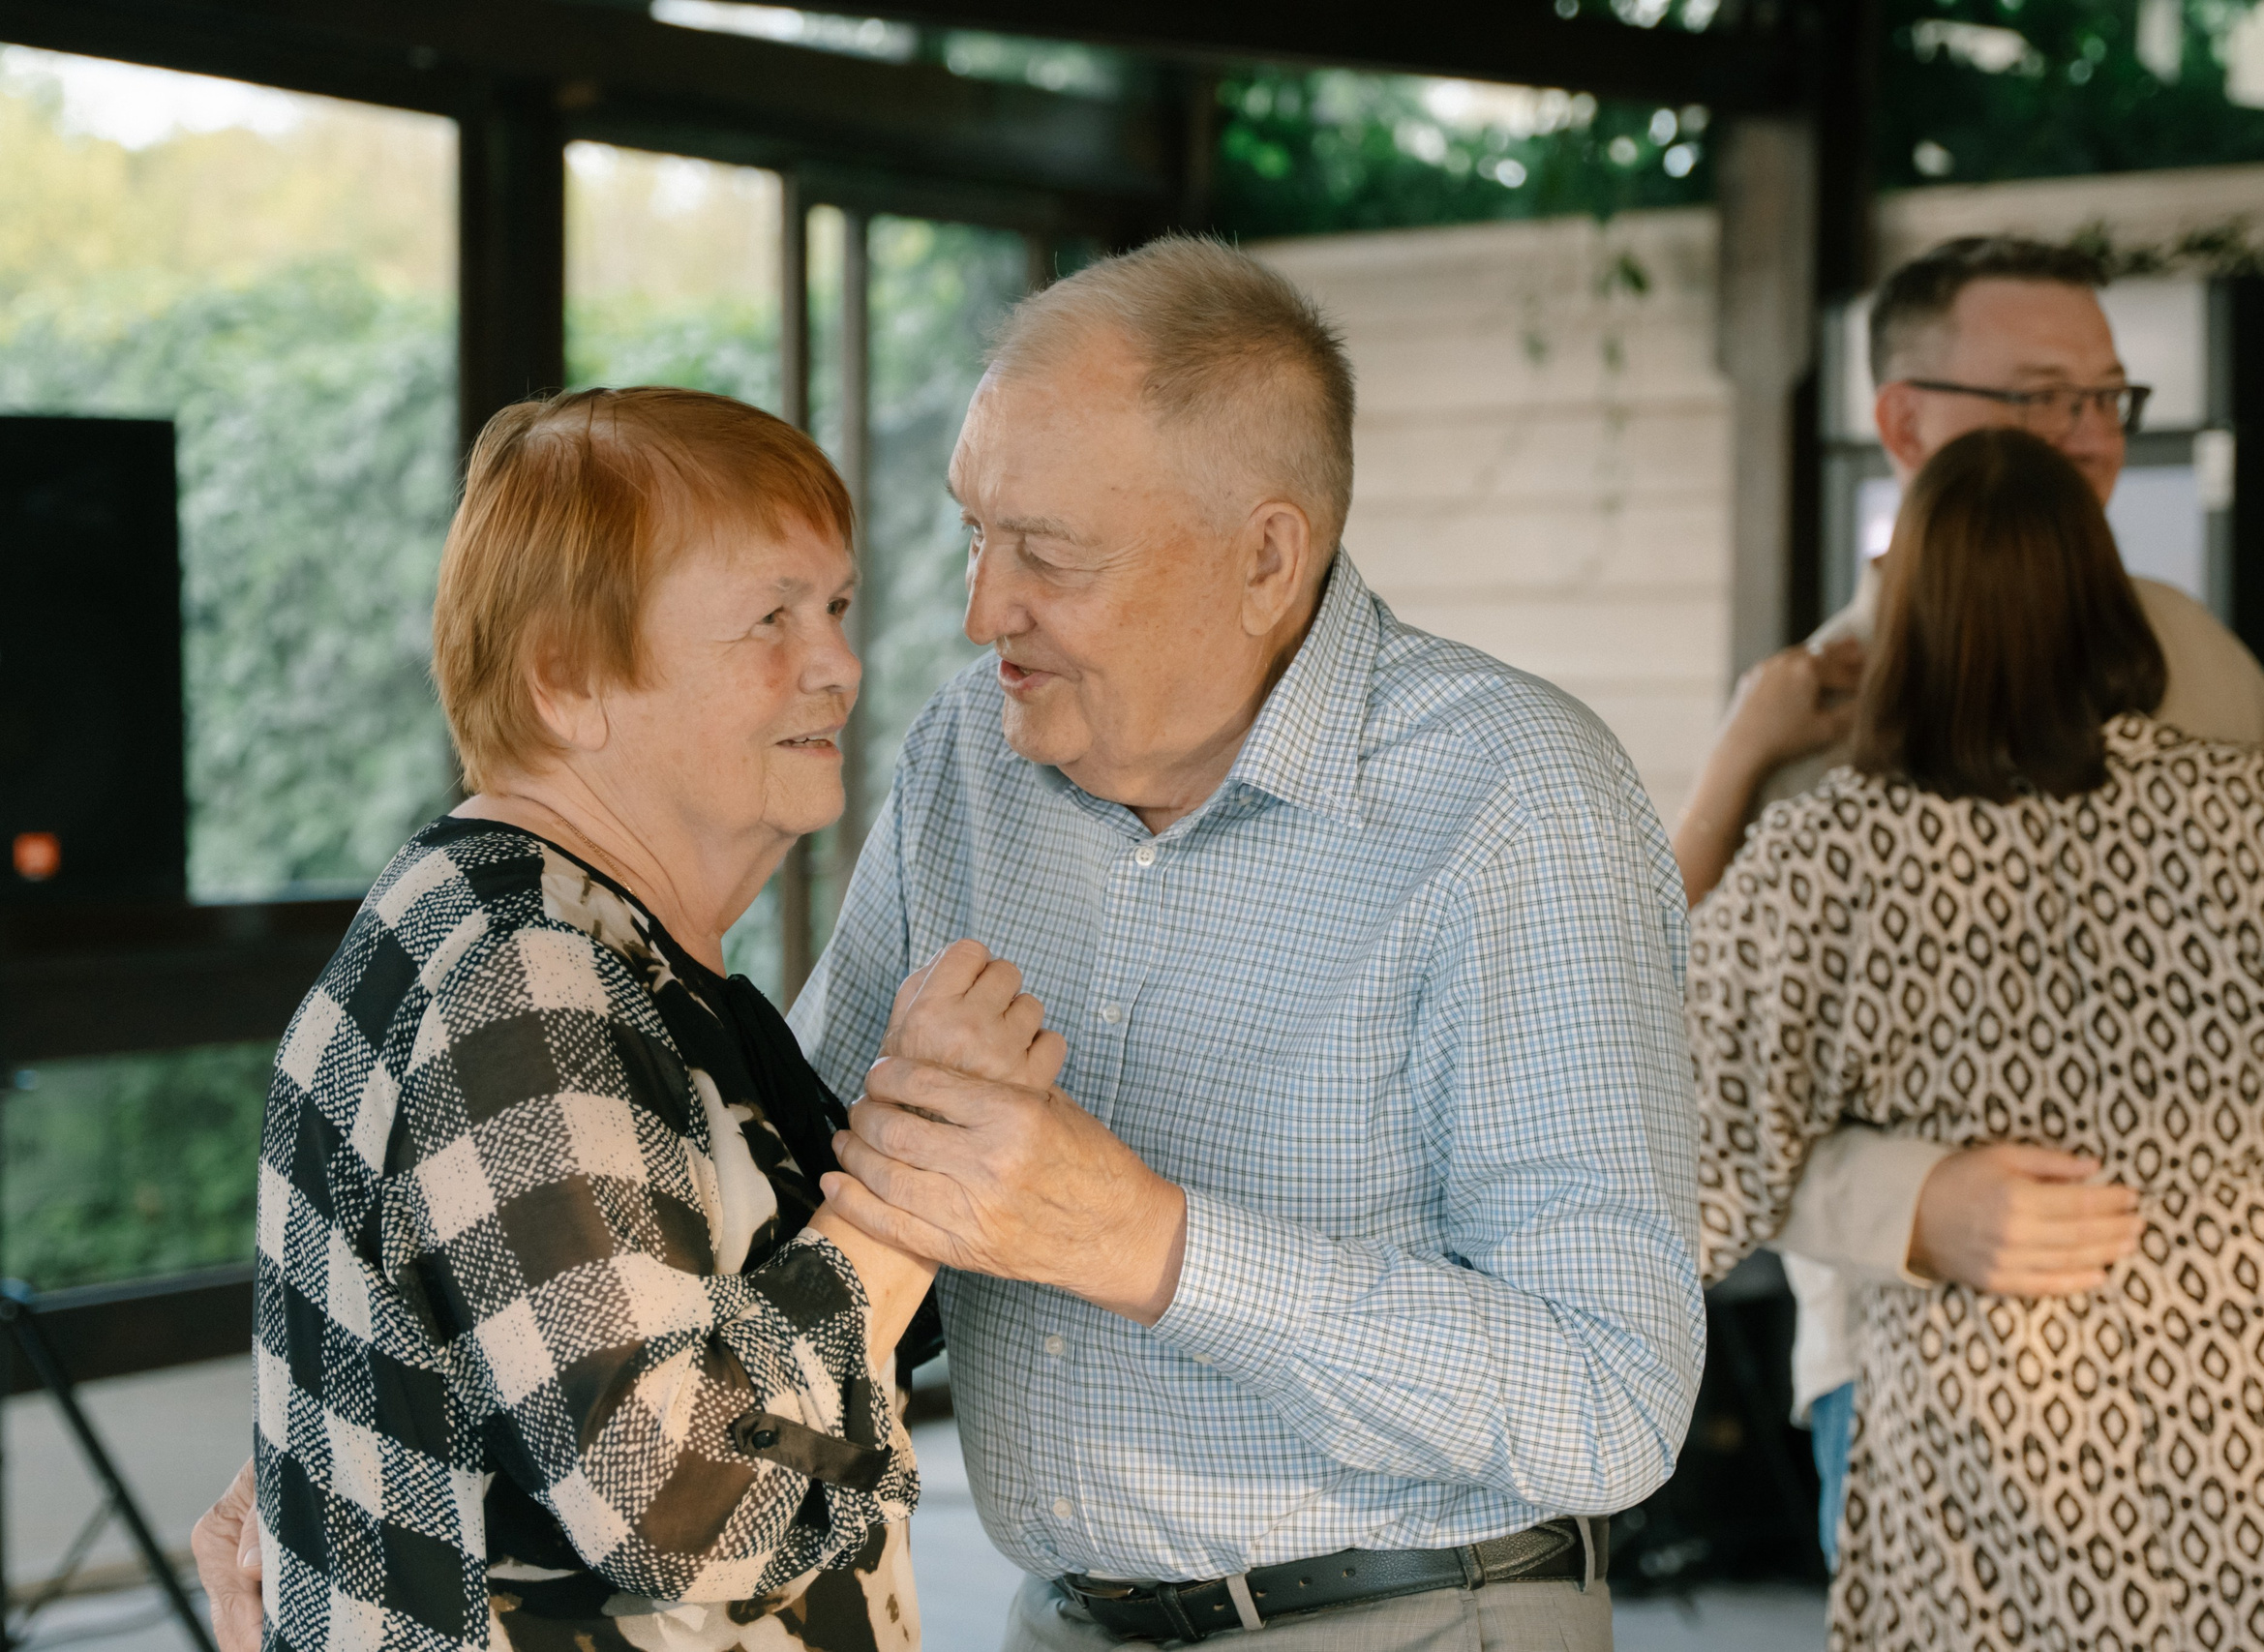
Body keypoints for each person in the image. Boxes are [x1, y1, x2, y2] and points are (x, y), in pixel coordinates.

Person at [792, 234, 1706, 1650]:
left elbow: (1612, 1398)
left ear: (1266, 558)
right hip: (1053, 1618)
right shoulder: (969, 751)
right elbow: (810, 1166)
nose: (984, 614)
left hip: (1417, 1620)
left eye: (1050, 554)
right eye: (977, 534)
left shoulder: (1516, 800)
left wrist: (1148, 1241)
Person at [1669, 234, 2264, 1566]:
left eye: (2108, 397)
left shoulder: (2195, 657)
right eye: (2045, 396)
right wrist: (1909, 1199)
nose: (2090, 436)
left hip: (2249, 1395)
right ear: (1905, 421)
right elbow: (1681, 1092)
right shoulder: (1802, 725)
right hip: (1934, 1384)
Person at [230, 387, 1054, 1652]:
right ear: (566, 678)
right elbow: (680, 1499)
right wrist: (917, 1182)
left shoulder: (569, 942)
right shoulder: (526, 979)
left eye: (834, 607)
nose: (838, 660)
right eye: (767, 617)